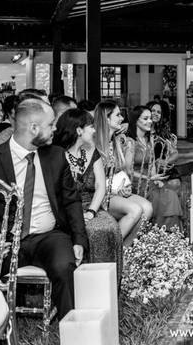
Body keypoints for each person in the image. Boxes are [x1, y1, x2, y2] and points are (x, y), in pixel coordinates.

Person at [0, 99, 87, 319]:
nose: (55, 128)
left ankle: (72, 327)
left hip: (48, 237)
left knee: (64, 266)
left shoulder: (56, 155)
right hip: (6, 241)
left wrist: (79, 240)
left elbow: (72, 200)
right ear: (34, 128)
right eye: (51, 124)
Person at [53, 109, 122, 276]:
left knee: (110, 227)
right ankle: (84, 280)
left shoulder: (92, 151)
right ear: (79, 130)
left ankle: (109, 283)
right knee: (92, 231)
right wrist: (77, 215)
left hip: (92, 206)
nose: (94, 130)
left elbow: (100, 186)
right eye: (91, 126)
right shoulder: (56, 155)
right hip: (67, 210)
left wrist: (91, 211)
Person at [94, 101, 153, 246]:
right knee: (135, 210)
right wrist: (114, 189)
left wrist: (125, 186)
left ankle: (125, 248)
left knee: (147, 208)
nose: (122, 118)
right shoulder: (94, 143)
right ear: (107, 119)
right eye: (118, 115)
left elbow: (120, 171)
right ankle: (110, 250)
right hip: (99, 194)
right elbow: (93, 179)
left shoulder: (116, 141)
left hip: (115, 191)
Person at [127, 105, 182, 230]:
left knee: (170, 195)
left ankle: (167, 234)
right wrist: (148, 178)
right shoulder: (130, 142)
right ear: (136, 121)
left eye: (150, 118)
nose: (150, 121)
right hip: (136, 183)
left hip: (150, 182)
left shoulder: (149, 140)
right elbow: (127, 170)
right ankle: (159, 231)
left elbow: (151, 163)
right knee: (164, 198)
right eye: (145, 118)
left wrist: (155, 179)